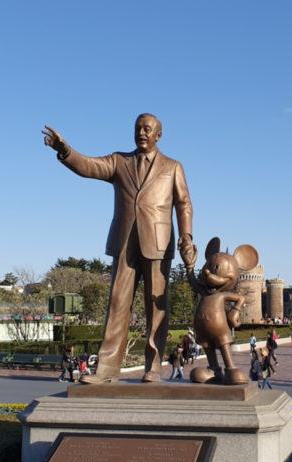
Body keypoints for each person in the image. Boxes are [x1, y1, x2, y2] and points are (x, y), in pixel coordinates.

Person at [43, 114, 196, 384]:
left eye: (147, 129)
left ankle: (154, 367)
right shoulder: (119, 161)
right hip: (125, 242)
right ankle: (106, 369)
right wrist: (65, 150)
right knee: (117, 303)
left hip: (158, 244)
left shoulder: (173, 167)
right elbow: (89, 166)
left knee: (156, 307)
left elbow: (183, 203)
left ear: (158, 135)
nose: (141, 133)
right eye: (137, 128)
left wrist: (186, 235)